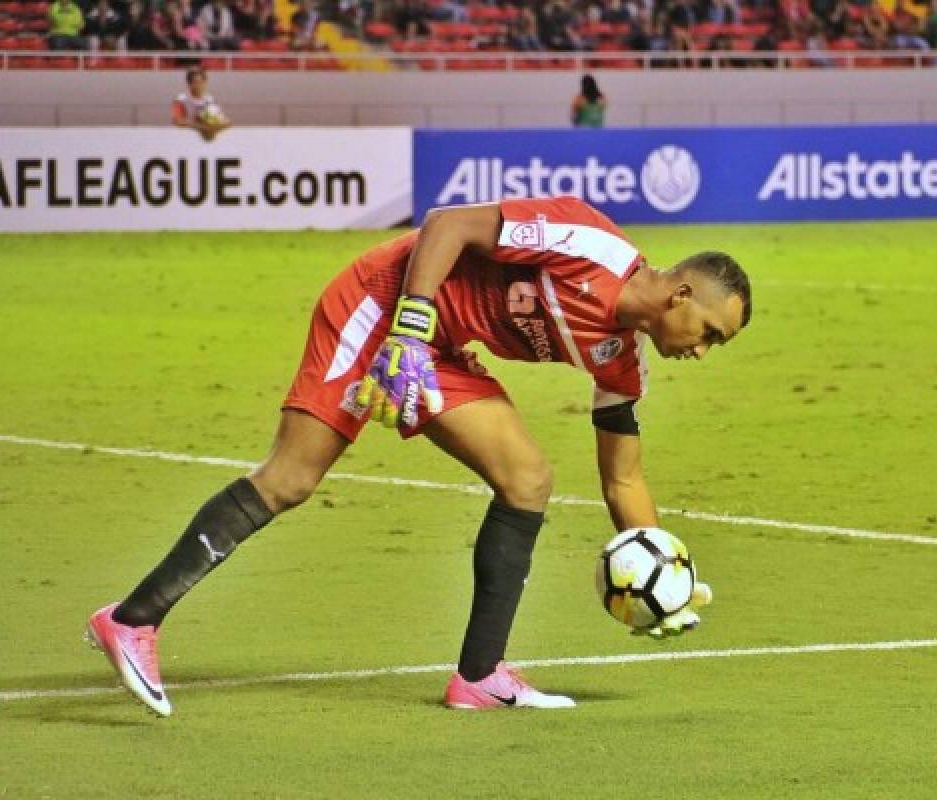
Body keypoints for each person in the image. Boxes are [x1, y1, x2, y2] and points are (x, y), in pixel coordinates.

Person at [85, 195, 751, 716]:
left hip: (437, 349)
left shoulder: (622, 359)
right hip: (383, 304)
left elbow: (622, 478)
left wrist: (665, 570)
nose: (701, 351)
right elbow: (448, 225)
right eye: (711, 335)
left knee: (527, 480)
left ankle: (480, 677)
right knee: (291, 478)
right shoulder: (591, 246)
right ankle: (131, 619)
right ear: (682, 295)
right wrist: (408, 324)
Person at [171, 66, 231, 142]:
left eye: (201, 82)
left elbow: (223, 120)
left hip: (204, 137)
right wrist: (200, 126)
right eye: (196, 82)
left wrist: (217, 125)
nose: (199, 85)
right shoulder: (181, 99)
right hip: (185, 137)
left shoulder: (209, 99)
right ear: (189, 83)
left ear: (205, 82)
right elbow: (177, 121)